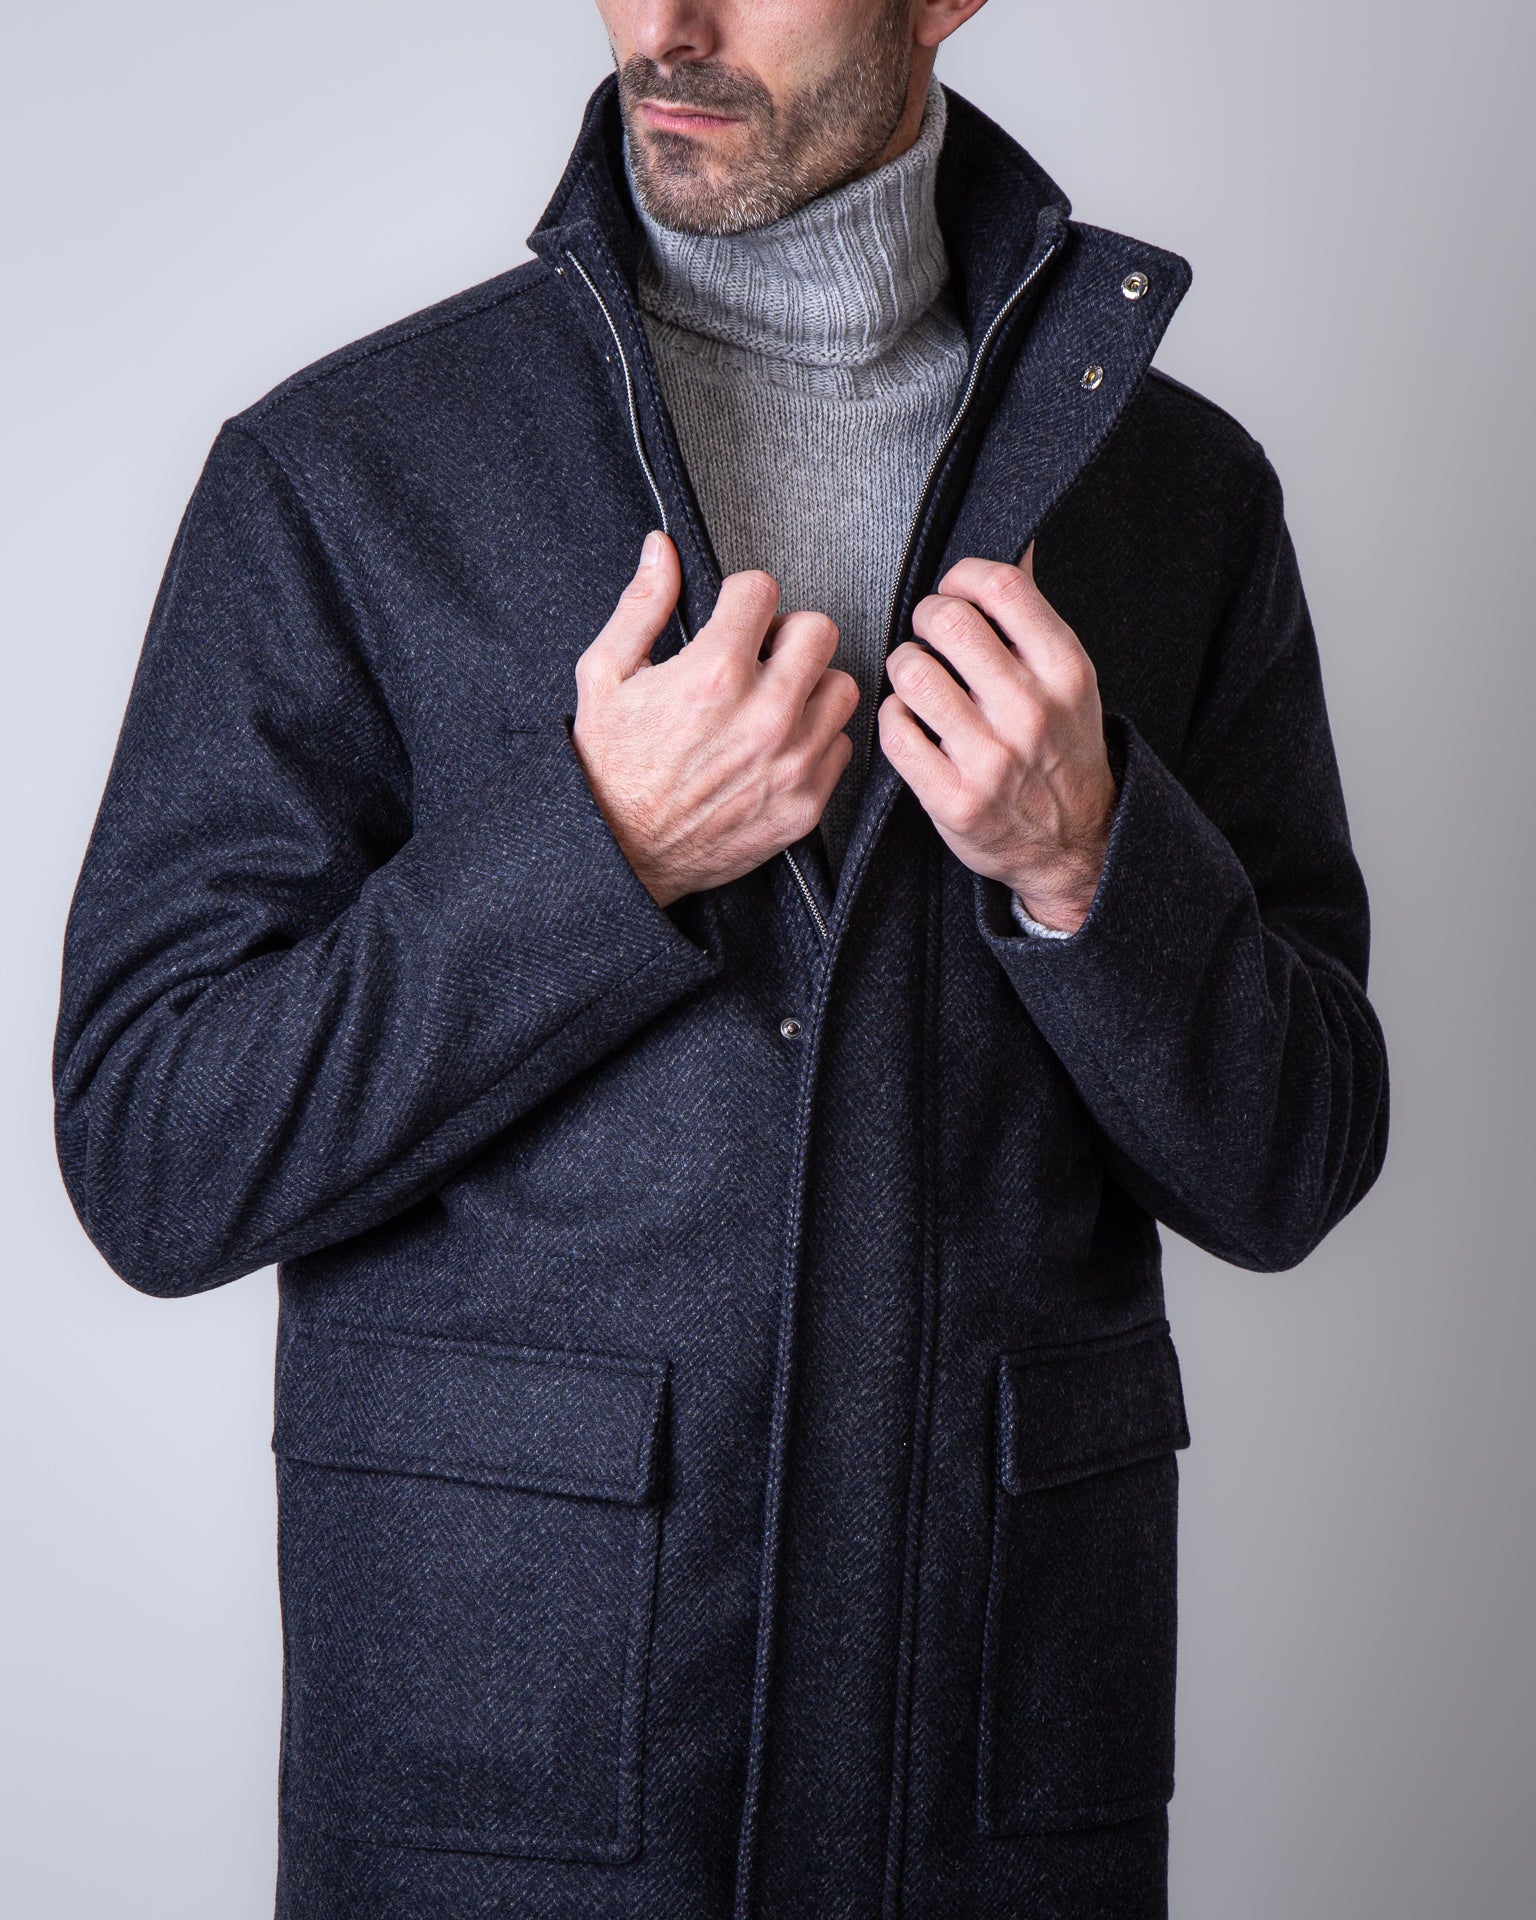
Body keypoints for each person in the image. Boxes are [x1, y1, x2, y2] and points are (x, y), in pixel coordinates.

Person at [52, 2, 1389, 1915]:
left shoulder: (1175, 499)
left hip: (980, 1781)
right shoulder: (351, 472)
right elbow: (154, 1147)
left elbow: (1296, 1163)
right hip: (513, 1804)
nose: (666, 27)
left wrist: (1091, 866)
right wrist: (595, 850)